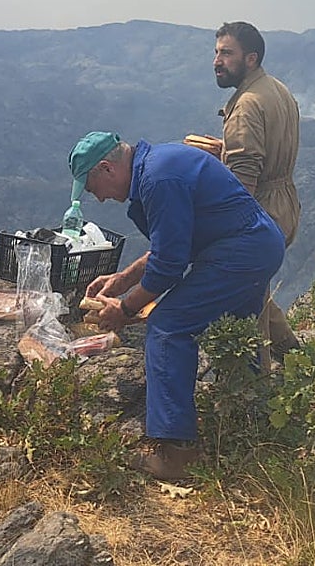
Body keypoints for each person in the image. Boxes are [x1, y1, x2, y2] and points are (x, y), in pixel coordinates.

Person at [73, 132, 285, 481]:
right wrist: (123, 280)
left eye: (92, 186)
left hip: (240, 252)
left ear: (107, 168)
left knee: (168, 327)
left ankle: (176, 454)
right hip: (253, 246)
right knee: (234, 332)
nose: (98, 197)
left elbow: (169, 265)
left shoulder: (159, 179)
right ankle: (248, 427)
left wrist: (124, 311)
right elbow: (171, 245)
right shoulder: (157, 168)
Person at [185, 21, 302, 359]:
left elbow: (244, 179)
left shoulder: (246, 105)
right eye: (216, 52)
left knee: (242, 304)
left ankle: (255, 390)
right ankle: (295, 356)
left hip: (262, 207)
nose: (217, 61)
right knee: (256, 289)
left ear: (250, 58)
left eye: (227, 53)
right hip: (287, 203)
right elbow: (266, 150)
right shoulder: (276, 89)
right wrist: (225, 150)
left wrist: (223, 232)